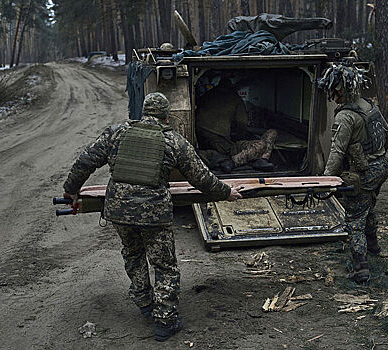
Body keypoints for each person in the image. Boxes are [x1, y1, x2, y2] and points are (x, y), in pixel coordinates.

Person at [62, 92, 242, 341]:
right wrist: (226, 193)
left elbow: (85, 161)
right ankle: (165, 322)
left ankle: (145, 303)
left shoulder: (116, 133)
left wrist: (70, 190)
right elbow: (200, 177)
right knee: (164, 265)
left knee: (133, 254)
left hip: (119, 211)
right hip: (153, 214)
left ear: (143, 112)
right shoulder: (173, 141)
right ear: (166, 115)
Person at [318, 63, 388, 283]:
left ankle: (361, 267)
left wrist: (325, 181)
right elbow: (386, 133)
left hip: (364, 172)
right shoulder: (368, 105)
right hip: (381, 166)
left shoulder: (346, 117)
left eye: (335, 90)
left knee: (354, 219)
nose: (333, 95)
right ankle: (374, 247)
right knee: (367, 209)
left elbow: (337, 151)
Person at [196, 78, 277, 172]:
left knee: (272, 133)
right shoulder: (234, 98)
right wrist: (240, 138)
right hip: (223, 145)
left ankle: (261, 160)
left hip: (203, 140)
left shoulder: (206, 96)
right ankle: (233, 162)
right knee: (261, 144)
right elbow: (242, 123)